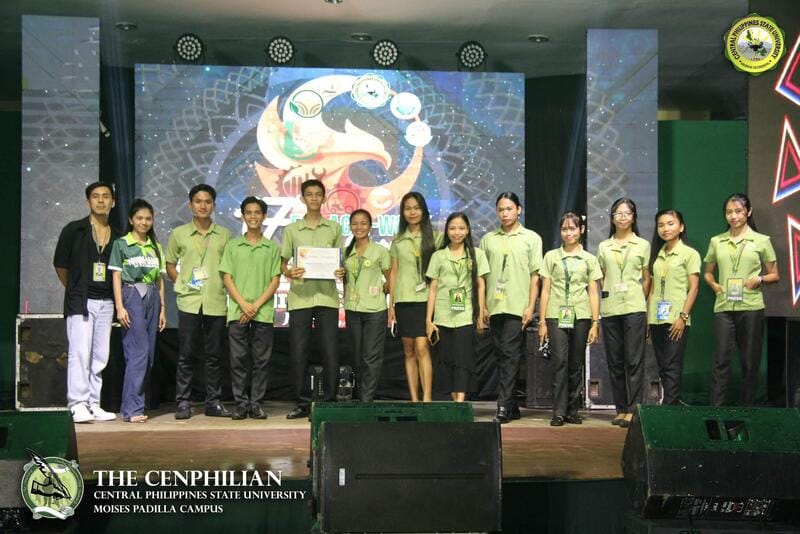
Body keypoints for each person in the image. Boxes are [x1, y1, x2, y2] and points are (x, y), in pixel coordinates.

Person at [53, 182, 121, 423]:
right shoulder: (75, 230)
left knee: (100, 355)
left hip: (107, 302)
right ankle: (77, 403)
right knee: (80, 353)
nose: (101, 201)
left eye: (105, 197)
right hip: (81, 301)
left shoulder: (118, 234)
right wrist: (74, 289)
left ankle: (94, 403)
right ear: (88, 202)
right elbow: (60, 265)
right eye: (95, 197)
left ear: (113, 202)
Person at [704, 193, 778, 406]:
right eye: (729, 212)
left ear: (748, 212)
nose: (733, 216)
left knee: (749, 363)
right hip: (723, 307)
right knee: (720, 362)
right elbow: (708, 272)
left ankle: (747, 411)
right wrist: (714, 285)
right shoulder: (717, 241)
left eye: (738, 211)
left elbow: (775, 275)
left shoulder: (761, 241)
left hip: (751, 307)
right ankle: (716, 412)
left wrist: (760, 278)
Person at [166, 184, 232, 420]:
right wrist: (182, 285)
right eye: (198, 201)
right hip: (189, 302)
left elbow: (229, 269)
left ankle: (213, 402)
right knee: (186, 354)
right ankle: (183, 402)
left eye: (207, 202)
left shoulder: (224, 235)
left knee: (214, 355)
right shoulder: (179, 234)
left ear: (213, 205)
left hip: (215, 300)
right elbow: (170, 264)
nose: (203, 205)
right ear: (190, 205)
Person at [281, 179, 343, 419]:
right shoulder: (292, 230)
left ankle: (330, 401)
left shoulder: (334, 228)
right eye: (309, 195)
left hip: (327, 298)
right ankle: (302, 403)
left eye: (318, 194)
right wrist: (289, 272)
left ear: (324, 198)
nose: (314, 198)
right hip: (300, 298)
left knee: (330, 351)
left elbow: (340, 263)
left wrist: (341, 271)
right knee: (299, 351)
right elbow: (282, 262)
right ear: (302, 199)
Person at [480, 192, 542, 423]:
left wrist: (530, 306)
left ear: (519, 210)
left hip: (518, 306)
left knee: (509, 354)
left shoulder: (531, 238)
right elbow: (482, 277)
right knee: (501, 356)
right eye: (500, 209)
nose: (505, 213)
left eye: (509, 209)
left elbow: (536, 275)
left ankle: (503, 406)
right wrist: (483, 306)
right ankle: (513, 405)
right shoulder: (488, 239)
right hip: (495, 305)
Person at [219, 197, 281, 420]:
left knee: (261, 362)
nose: (253, 216)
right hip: (238, 312)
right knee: (238, 360)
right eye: (249, 212)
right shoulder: (233, 245)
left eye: (257, 212)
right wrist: (244, 305)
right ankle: (241, 404)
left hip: (262, 313)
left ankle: (256, 403)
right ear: (243, 216)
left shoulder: (272, 247)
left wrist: (254, 306)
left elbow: (275, 280)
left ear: (264, 216)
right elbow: (227, 277)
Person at [538, 212, 601, 426]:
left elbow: (593, 292)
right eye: (564, 229)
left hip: (582, 314)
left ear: (581, 230)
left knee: (575, 363)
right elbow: (545, 290)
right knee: (559, 361)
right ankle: (558, 411)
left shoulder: (589, 259)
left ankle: (573, 409)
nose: (568, 233)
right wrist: (543, 321)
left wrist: (595, 322)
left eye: (572, 228)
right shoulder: (551, 257)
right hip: (556, 314)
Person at [109, 199, 167, 423]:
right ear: (132, 220)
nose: (144, 222)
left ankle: (131, 406)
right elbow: (115, 276)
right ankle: (133, 409)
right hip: (131, 294)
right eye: (140, 218)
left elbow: (160, 281)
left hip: (152, 296)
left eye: (148, 219)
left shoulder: (155, 246)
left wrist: (162, 309)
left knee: (148, 355)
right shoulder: (122, 244)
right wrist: (119, 306)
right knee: (138, 352)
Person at [597, 197, 651, 427]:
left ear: (634, 217)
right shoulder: (604, 246)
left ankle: (633, 408)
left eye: (627, 213)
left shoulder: (642, 245)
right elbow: (601, 276)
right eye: (618, 213)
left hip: (634, 308)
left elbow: (647, 278)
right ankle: (620, 408)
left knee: (634, 360)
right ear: (612, 218)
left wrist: (638, 296)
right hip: (610, 309)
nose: (622, 217)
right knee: (615, 361)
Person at [425, 212, 490, 402]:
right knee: (447, 360)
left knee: (463, 360)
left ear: (468, 230)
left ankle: (460, 402)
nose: (457, 232)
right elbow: (433, 289)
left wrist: (480, 312)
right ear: (447, 231)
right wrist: (429, 320)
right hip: (443, 316)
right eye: (452, 228)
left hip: (466, 316)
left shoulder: (477, 254)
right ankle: (454, 401)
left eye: (461, 228)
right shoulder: (438, 256)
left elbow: (481, 285)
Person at [388, 192, 442, 402]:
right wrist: (391, 305)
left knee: (422, 347)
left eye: (416, 208)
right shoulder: (398, 241)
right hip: (403, 300)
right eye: (408, 208)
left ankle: (427, 399)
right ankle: (414, 399)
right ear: (403, 212)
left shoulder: (435, 237)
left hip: (426, 300)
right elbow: (393, 273)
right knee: (408, 350)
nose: (412, 212)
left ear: (424, 210)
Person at [647, 209, 701, 405]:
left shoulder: (689, 254)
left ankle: (670, 406)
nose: (665, 229)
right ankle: (671, 401)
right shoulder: (657, 254)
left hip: (677, 318)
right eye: (661, 225)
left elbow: (694, 288)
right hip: (656, 318)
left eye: (670, 224)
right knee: (662, 366)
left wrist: (683, 317)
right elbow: (653, 289)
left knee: (672, 364)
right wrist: (648, 318)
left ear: (681, 227)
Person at [338, 209, 392, 402]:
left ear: (370, 226)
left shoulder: (380, 251)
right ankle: (359, 395)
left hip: (375, 311)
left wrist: (380, 290)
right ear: (350, 226)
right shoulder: (346, 252)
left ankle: (366, 401)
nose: (359, 227)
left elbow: (390, 278)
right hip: (352, 310)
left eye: (363, 223)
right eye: (355, 223)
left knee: (371, 357)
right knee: (356, 357)